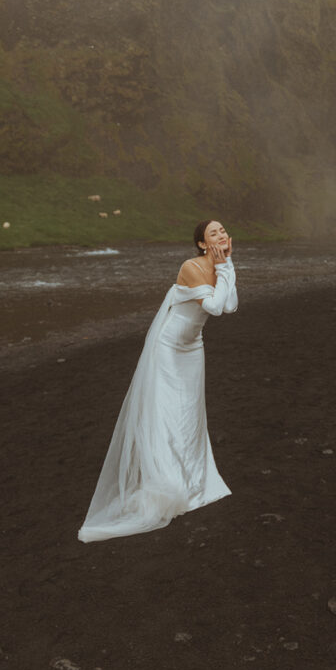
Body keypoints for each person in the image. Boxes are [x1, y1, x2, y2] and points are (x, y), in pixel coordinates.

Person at [78, 220, 237, 543]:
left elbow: (230, 304)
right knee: (166, 413)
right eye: (213, 233)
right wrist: (223, 268)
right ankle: (168, 482)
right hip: (168, 349)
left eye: (223, 230)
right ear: (202, 244)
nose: (221, 235)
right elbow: (215, 307)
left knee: (190, 415)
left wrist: (228, 265)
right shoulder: (191, 267)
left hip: (193, 348)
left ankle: (194, 481)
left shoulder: (222, 265)